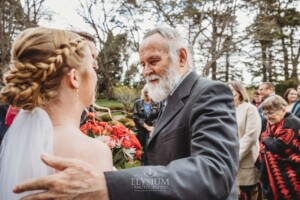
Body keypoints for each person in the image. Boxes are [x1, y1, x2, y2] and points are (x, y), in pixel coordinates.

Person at [14, 26, 239, 200]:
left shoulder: (209, 92)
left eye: (153, 61)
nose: (146, 71)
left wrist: (111, 184)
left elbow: (214, 172)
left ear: (181, 57)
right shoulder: (166, 99)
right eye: (142, 64)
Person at [0, 27, 112, 199]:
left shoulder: (18, 145)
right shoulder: (94, 151)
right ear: (74, 77)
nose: (95, 75)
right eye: (91, 66)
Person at [259, 95, 300, 200]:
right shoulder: (277, 122)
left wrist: (265, 138)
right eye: (265, 114)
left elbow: (278, 148)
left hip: (291, 172)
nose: (268, 117)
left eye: (271, 113)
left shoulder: (291, 122)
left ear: (283, 110)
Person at [228, 81, 262, 200]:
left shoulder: (249, 109)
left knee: (248, 194)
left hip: (245, 161)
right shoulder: (226, 110)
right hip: (228, 162)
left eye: (231, 90)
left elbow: (251, 136)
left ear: (239, 92)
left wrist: (234, 155)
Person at [133, 84, 160, 165]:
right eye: (145, 93)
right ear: (143, 93)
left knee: (151, 150)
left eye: (148, 93)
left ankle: (149, 168)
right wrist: (147, 127)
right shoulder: (138, 103)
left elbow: (159, 116)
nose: (147, 94)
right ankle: (141, 168)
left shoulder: (157, 103)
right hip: (141, 131)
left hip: (153, 131)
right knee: (140, 151)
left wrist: (153, 128)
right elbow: (136, 117)